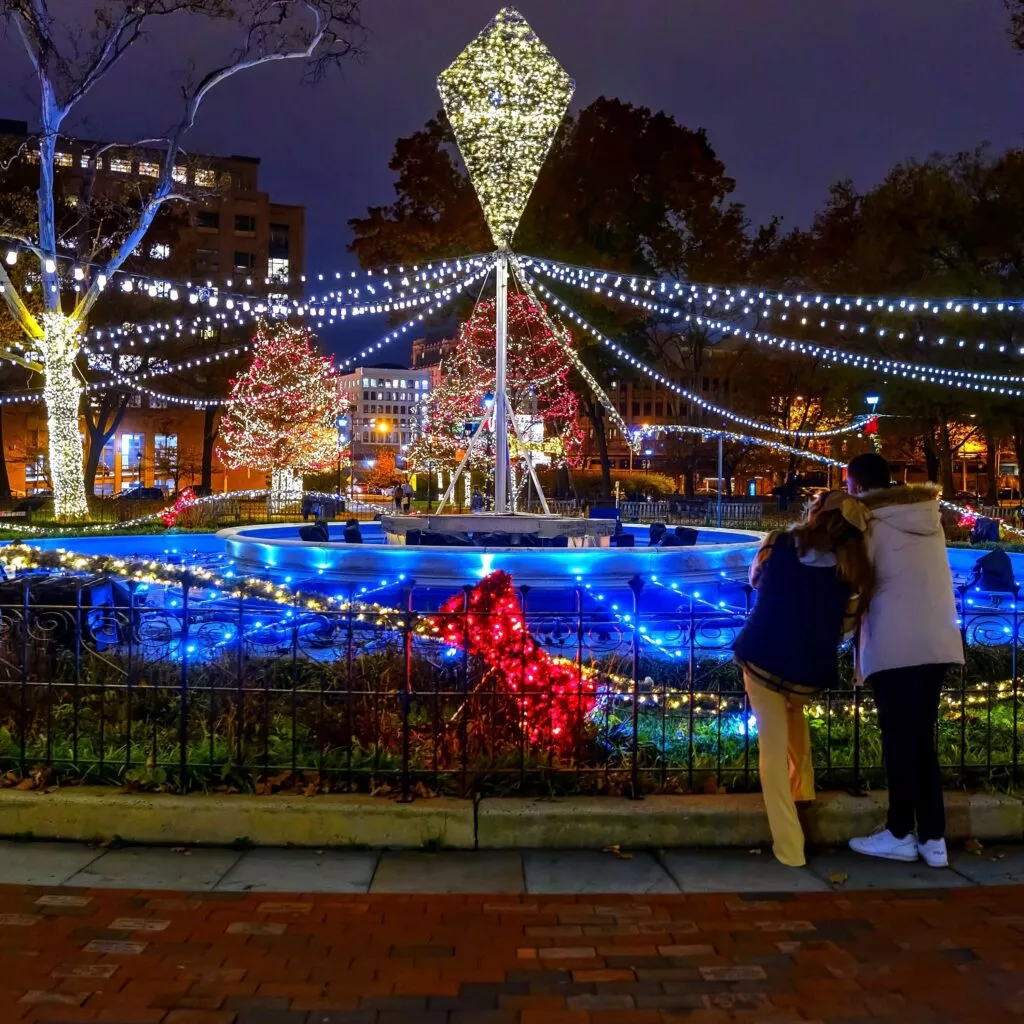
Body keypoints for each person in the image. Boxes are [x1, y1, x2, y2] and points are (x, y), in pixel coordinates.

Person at [733, 490, 872, 868]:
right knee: (794, 716)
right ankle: (804, 792)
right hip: (809, 669)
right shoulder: (852, 571)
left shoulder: (778, 544)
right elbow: (846, 625)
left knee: (772, 752)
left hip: (762, 657)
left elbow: (757, 580)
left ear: (815, 514)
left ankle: (790, 847)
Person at [845, 453, 965, 868]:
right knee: (921, 739)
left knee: (899, 740)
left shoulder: (869, 523)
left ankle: (899, 832)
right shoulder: (926, 516)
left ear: (855, 485)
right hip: (936, 641)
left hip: (896, 645)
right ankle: (933, 839)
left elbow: (855, 582)